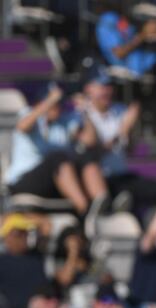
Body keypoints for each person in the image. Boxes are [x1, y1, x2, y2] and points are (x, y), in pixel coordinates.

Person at [5, 85, 109, 224]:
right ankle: (85, 210)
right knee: (58, 158)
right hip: (24, 181)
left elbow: (90, 141)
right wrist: (49, 101)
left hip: (54, 182)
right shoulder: (29, 114)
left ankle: (101, 206)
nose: (57, 107)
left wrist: (85, 111)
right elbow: (22, 127)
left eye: (59, 104)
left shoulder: (64, 122)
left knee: (85, 156)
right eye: (54, 104)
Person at [78, 69, 156, 212]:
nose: (107, 91)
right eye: (102, 87)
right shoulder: (80, 113)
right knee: (122, 195)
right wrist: (122, 131)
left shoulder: (119, 110)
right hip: (99, 180)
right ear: (88, 88)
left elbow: (129, 150)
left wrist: (131, 132)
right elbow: (91, 153)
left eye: (109, 87)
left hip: (120, 175)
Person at [95, 3, 156, 77]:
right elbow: (117, 54)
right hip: (128, 74)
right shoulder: (109, 19)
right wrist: (143, 34)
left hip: (153, 65)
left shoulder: (135, 14)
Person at [0, 214, 48, 308]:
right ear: (7, 236)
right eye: (19, 233)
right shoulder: (2, 261)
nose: (24, 237)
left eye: (26, 233)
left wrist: (25, 218)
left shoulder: (36, 256)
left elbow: (46, 225)